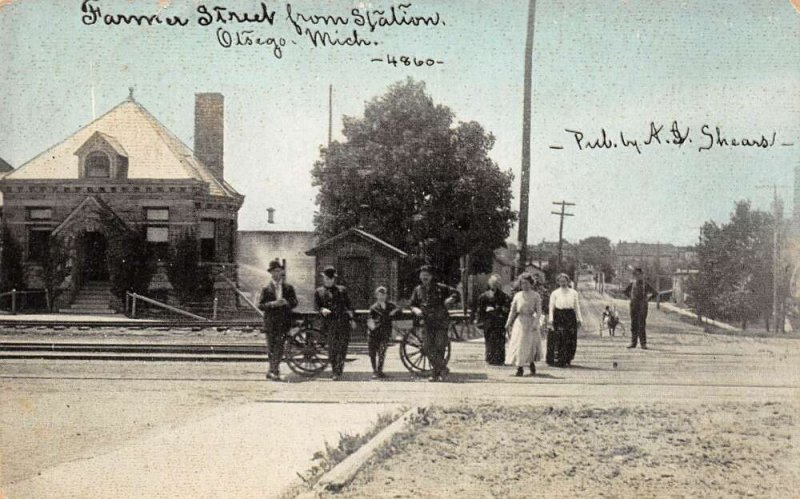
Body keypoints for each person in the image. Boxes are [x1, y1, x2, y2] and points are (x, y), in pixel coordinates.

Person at [409, 265, 460, 382]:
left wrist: (451, 299)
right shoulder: (417, 290)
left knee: (439, 347)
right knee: (426, 347)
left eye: (427, 275)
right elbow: (412, 304)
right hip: (427, 322)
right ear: (420, 277)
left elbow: (456, 293)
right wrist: (416, 309)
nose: (424, 277)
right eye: (422, 275)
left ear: (431, 277)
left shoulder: (440, 288)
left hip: (441, 321)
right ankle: (443, 369)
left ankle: (435, 374)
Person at [258, 259, 298, 381]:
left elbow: (295, 302)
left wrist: (287, 302)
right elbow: (261, 305)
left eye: (279, 271)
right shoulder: (266, 288)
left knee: (279, 347)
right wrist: (273, 304)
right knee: (271, 347)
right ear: (271, 273)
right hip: (270, 322)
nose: (277, 273)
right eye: (274, 271)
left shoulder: (288, 288)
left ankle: (274, 371)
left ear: (281, 272)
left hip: (283, 322)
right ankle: (273, 370)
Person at [314, 265, 356, 380]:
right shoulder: (319, 292)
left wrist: (352, 318)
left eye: (329, 279)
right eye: (325, 278)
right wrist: (322, 309)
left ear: (333, 279)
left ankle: (339, 370)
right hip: (329, 324)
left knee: (342, 348)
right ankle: (334, 371)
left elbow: (350, 306)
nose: (327, 281)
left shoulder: (342, 290)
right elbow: (316, 306)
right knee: (332, 348)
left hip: (343, 323)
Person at [504, 273, 543, 376]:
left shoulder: (536, 295)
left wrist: (535, 323)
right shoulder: (517, 295)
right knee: (519, 344)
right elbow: (512, 311)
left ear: (531, 283)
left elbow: (539, 311)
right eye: (522, 283)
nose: (524, 285)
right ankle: (519, 367)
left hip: (530, 322)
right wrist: (508, 322)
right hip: (520, 322)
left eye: (526, 283)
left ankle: (531, 363)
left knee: (530, 345)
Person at [547, 273, 583, 367]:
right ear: (558, 282)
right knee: (560, 337)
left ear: (568, 281)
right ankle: (559, 359)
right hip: (559, 315)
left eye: (564, 281)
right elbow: (551, 307)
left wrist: (580, 319)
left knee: (570, 337)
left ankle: (568, 358)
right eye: (561, 281)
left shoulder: (573, 293)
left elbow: (576, 306)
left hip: (570, 315)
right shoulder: (555, 293)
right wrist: (551, 319)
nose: (563, 283)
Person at [476, 274, 511, 365]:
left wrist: (498, 310)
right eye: (493, 283)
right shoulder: (484, 296)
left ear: (499, 284)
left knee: (500, 340)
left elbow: (507, 308)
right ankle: (490, 358)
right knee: (489, 339)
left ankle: (499, 359)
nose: (494, 285)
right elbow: (480, 310)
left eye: (496, 283)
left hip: (499, 321)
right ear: (489, 283)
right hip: (489, 321)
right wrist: (480, 321)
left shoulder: (504, 296)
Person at [367, 286, 399, 379]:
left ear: (386, 296)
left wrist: (394, 312)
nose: (381, 297)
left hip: (385, 332)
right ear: (376, 296)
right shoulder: (373, 307)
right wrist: (372, 328)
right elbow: (369, 319)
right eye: (379, 295)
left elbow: (398, 310)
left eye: (383, 295)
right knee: (372, 353)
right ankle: (374, 371)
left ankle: (380, 370)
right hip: (374, 333)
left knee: (382, 352)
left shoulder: (390, 306)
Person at [624, 268, 657, 349]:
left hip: (642, 307)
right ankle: (633, 343)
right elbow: (625, 292)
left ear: (642, 275)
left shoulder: (645, 284)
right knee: (633, 324)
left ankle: (643, 344)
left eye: (639, 274)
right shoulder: (632, 284)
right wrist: (631, 298)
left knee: (641, 324)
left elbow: (655, 293)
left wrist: (647, 299)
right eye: (636, 275)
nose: (638, 276)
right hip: (633, 306)